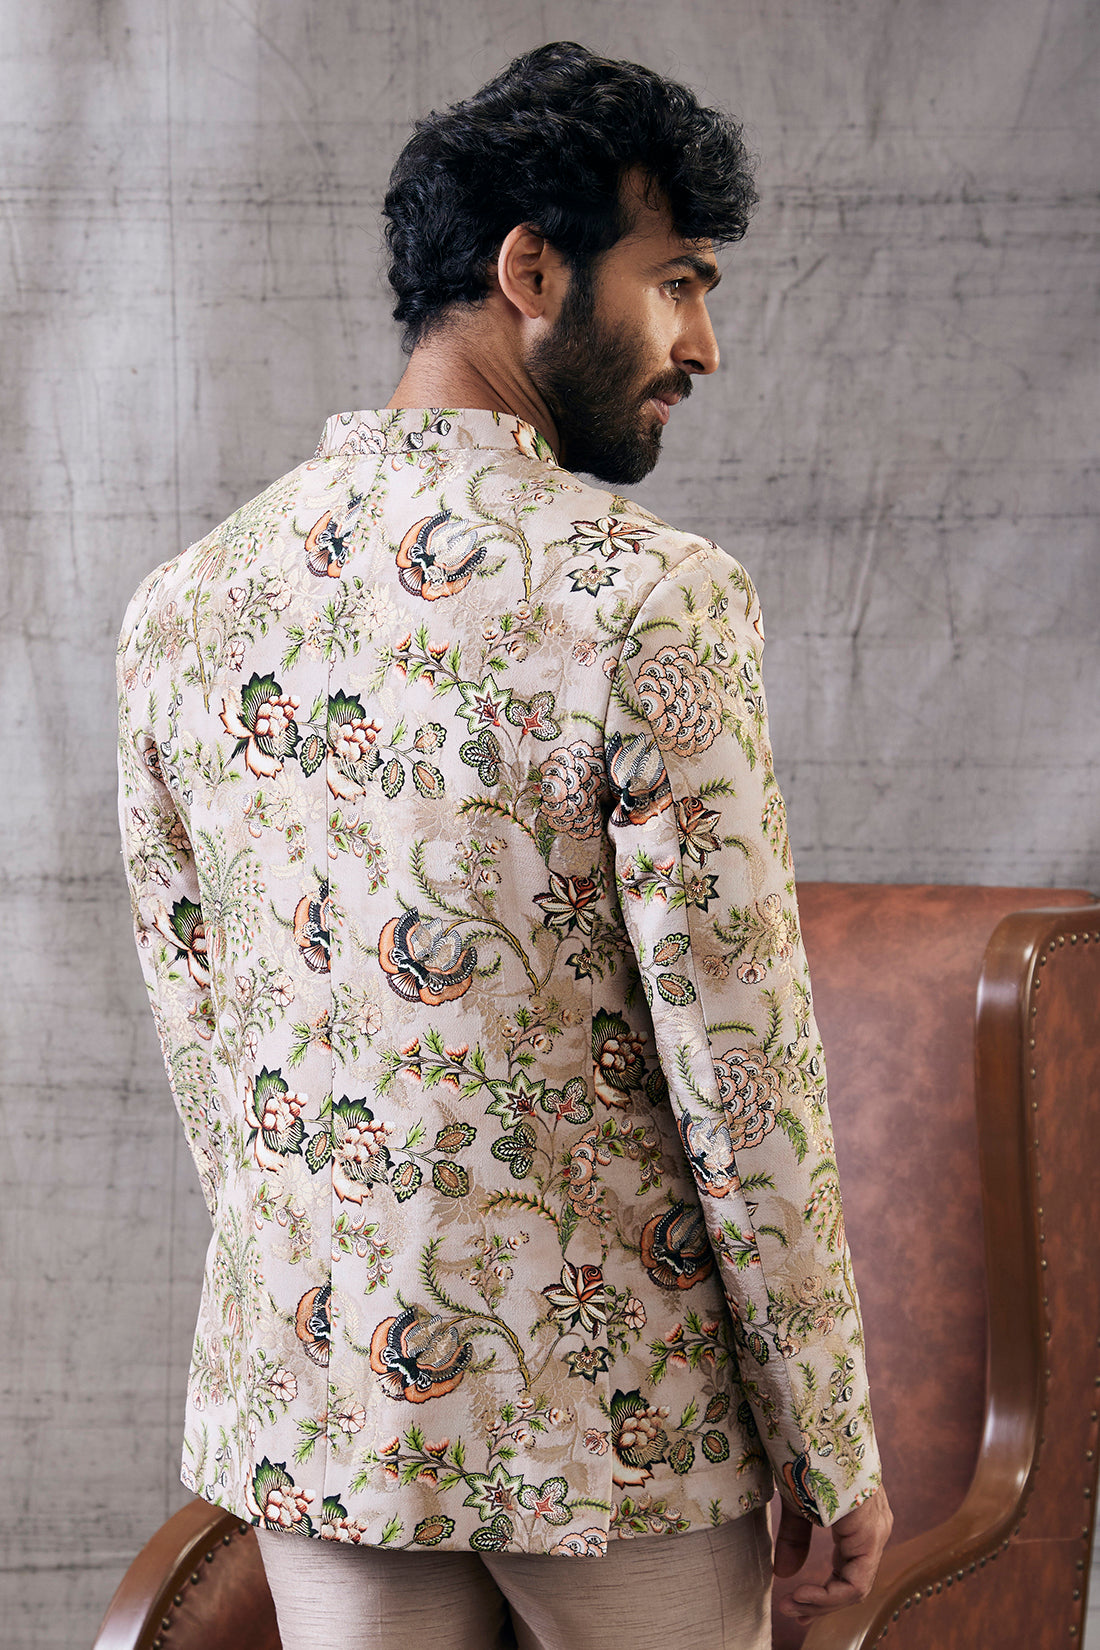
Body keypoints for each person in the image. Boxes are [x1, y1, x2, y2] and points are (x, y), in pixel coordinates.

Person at [117, 40, 891, 1650]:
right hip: (619, 1419)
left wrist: (328, 1297)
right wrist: (827, 1437)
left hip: (328, 1403)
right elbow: (742, 1070)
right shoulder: (651, 600)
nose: (704, 344)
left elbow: (214, 1052)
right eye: (676, 282)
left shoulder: (190, 609)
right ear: (529, 270)